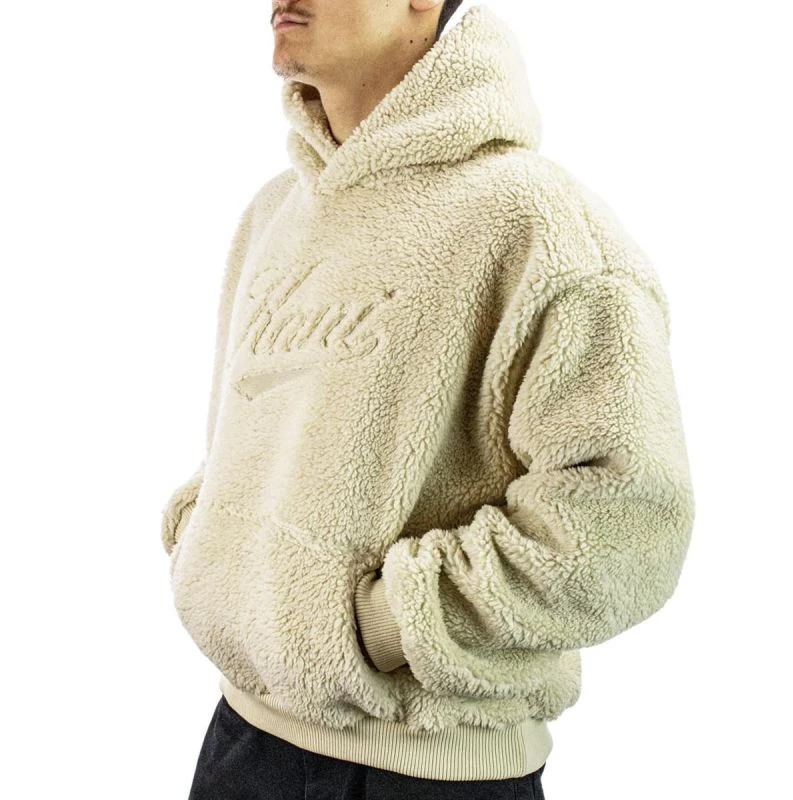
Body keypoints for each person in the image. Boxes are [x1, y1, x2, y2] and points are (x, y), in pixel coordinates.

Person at [160, 2, 696, 798]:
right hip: (242, 738)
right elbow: (253, 443)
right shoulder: (276, 213)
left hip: (425, 770)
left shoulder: (540, 225)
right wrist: (208, 543)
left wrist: (387, 624)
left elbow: (625, 522)